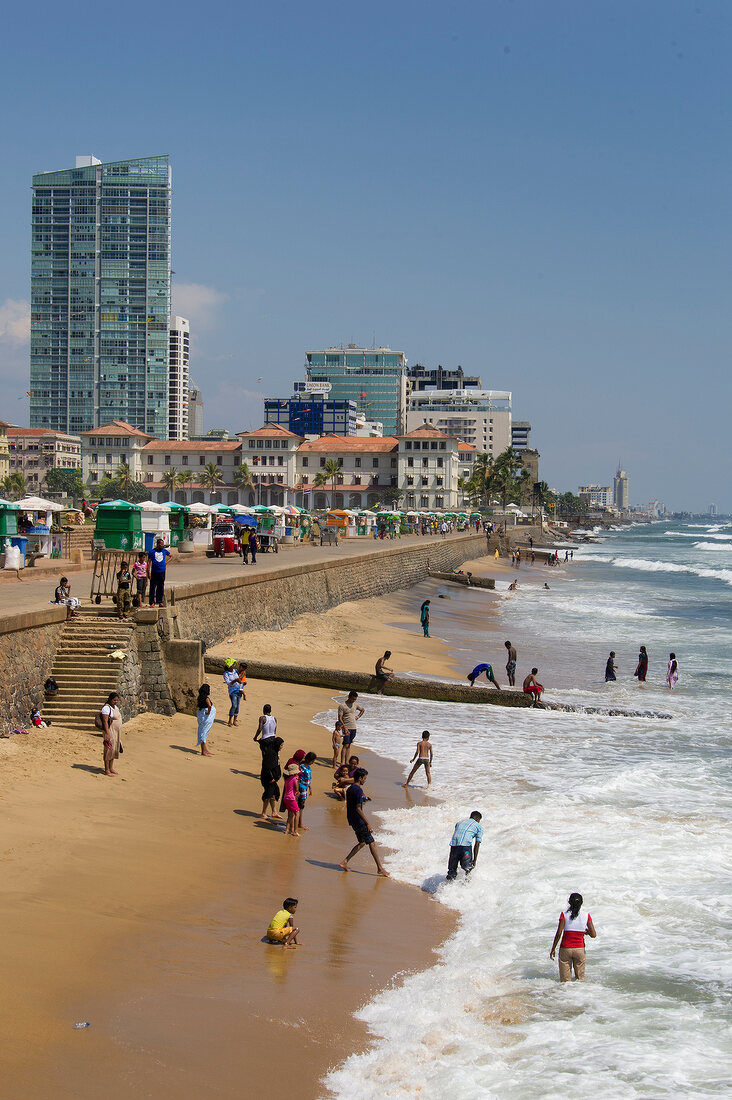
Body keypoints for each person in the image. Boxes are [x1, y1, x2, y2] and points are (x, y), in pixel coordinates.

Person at [339, 769, 390, 876]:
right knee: (371, 842)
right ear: (360, 778)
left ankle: (345, 862)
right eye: (364, 778)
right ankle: (380, 868)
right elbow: (358, 808)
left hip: (352, 819)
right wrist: (367, 823)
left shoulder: (350, 788)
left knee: (362, 842)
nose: (365, 781)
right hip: (359, 821)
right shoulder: (357, 790)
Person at [549, 892, 597, 982]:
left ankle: (565, 995)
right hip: (579, 949)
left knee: (565, 981)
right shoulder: (586, 915)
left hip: (565, 948)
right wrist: (586, 932)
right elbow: (594, 935)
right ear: (581, 903)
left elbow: (559, 933)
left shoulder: (564, 914)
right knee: (580, 979)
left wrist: (553, 948)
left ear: (569, 902)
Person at [446, 811, 482, 880]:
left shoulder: (459, 823)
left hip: (454, 846)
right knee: (468, 869)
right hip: (465, 848)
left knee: (452, 870)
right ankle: (466, 887)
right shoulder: (478, 826)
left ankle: (447, 887)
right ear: (478, 819)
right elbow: (477, 844)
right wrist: (474, 860)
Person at [258, 735, 284, 821]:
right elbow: (267, 767)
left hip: (273, 779)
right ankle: (263, 813)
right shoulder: (271, 753)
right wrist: (271, 778)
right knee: (268, 795)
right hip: (268, 779)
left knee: (273, 794)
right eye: (281, 745)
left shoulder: (274, 752)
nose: (282, 747)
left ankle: (274, 812)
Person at [337, 690, 364, 763]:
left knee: (349, 745)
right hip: (346, 727)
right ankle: (342, 763)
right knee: (345, 745)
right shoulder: (342, 705)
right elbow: (340, 718)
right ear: (349, 697)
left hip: (354, 727)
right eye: (352, 699)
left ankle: (347, 762)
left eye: (355, 699)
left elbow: (362, 710)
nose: (353, 701)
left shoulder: (355, 705)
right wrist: (344, 727)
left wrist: (357, 717)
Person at [100, 691, 122, 777]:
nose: (115, 702)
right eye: (114, 700)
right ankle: (107, 770)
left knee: (114, 749)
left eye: (117, 700)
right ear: (110, 699)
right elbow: (105, 721)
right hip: (110, 731)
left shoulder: (115, 707)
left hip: (116, 732)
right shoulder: (106, 708)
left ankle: (111, 767)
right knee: (109, 750)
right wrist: (107, 733)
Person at [283, 751, 304, 837]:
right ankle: (295, 831)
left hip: (286, 798)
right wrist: (298, 791)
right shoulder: (295, 778)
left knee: (290, 814)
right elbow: (296, 787)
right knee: (297, 812)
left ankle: (287, 830)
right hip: (291, 798)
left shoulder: (287, 779)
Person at [147, 537, 171, 607]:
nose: (162, 546)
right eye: (161, 544)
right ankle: (152, 602)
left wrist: (166, 563)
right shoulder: (152, 552)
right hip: (154, 571)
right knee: (152, 587)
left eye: (163, 544)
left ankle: (160, 601)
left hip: (162, 571)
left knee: (161, 586)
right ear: (158, 544)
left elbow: (171, 556)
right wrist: (148, 572)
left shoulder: (164, 551)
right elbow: (148, 562)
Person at [297, 750, 317, 831]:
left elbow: (308, 778)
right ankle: (300, 823)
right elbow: (298, 778)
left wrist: (310, 787)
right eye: (312, 761)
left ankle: (299, 822)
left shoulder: (308, 767)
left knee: (302, 805)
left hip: (305, 787)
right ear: (309, 760)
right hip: (301, 787)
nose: (313, 762)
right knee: (300, 806)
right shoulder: (302, 767)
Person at [223, 659, 246, 727]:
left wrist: (242, 681)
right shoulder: (226, 673)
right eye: (232, 665)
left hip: (239, 690)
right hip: (232, 691)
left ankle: (234, 720)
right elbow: (228, 683)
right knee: (234, 705)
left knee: (237, 706)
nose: (233, 666)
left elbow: (243, 672)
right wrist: (235, 680)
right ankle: (230, 720)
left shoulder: (236, 671)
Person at [196, 683, 215, 756]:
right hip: (205, 716)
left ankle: (205, 750)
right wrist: (209, 712)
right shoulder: (206, 698)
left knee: (202, 731)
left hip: (201, 715)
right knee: (203, 732)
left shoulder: (200, 697)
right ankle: (203, 751)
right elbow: (209, 705)